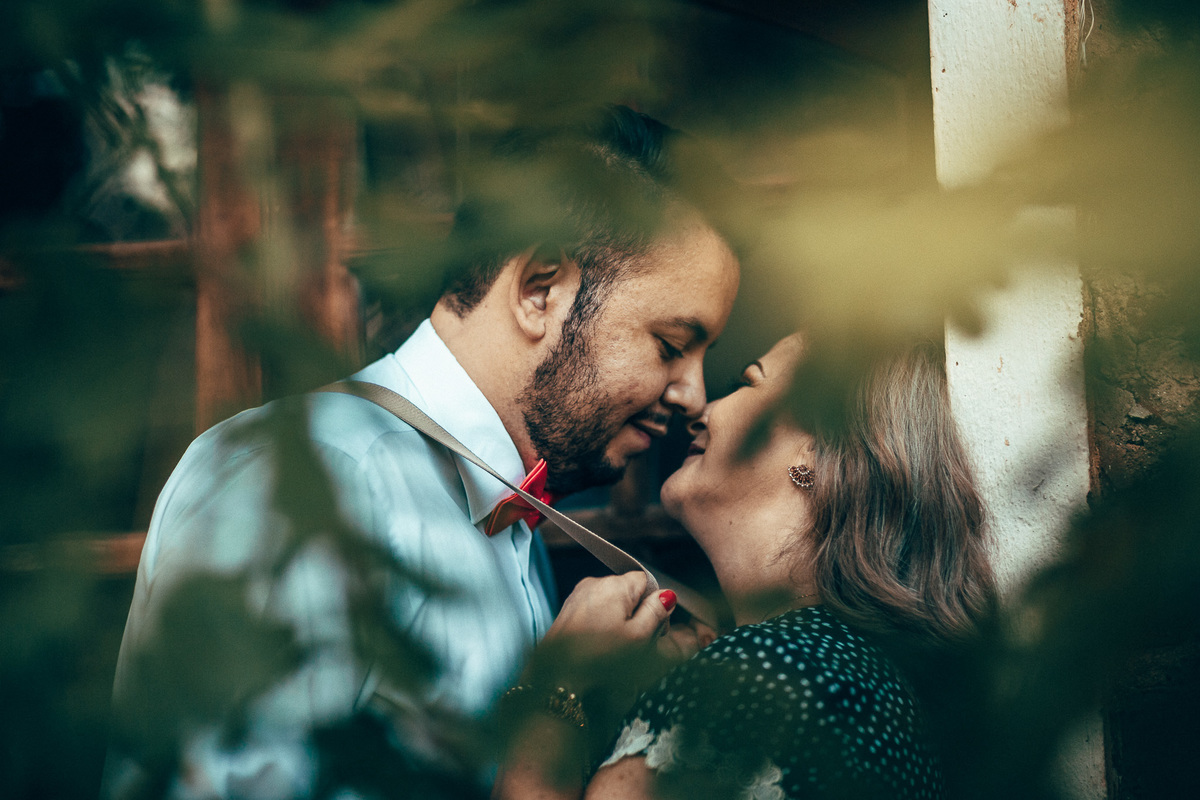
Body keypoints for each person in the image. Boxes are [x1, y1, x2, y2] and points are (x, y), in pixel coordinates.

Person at [104, 107, 739, 799]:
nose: (694, 395)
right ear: (540, 290)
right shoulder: (305, 482)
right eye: (672, 345)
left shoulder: (508, 515)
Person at [494, 334, 996, 800]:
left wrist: (556, 689)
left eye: (747, 382)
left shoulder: (768, 672)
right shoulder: (858, 681)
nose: (701, 409)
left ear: (820, 454)